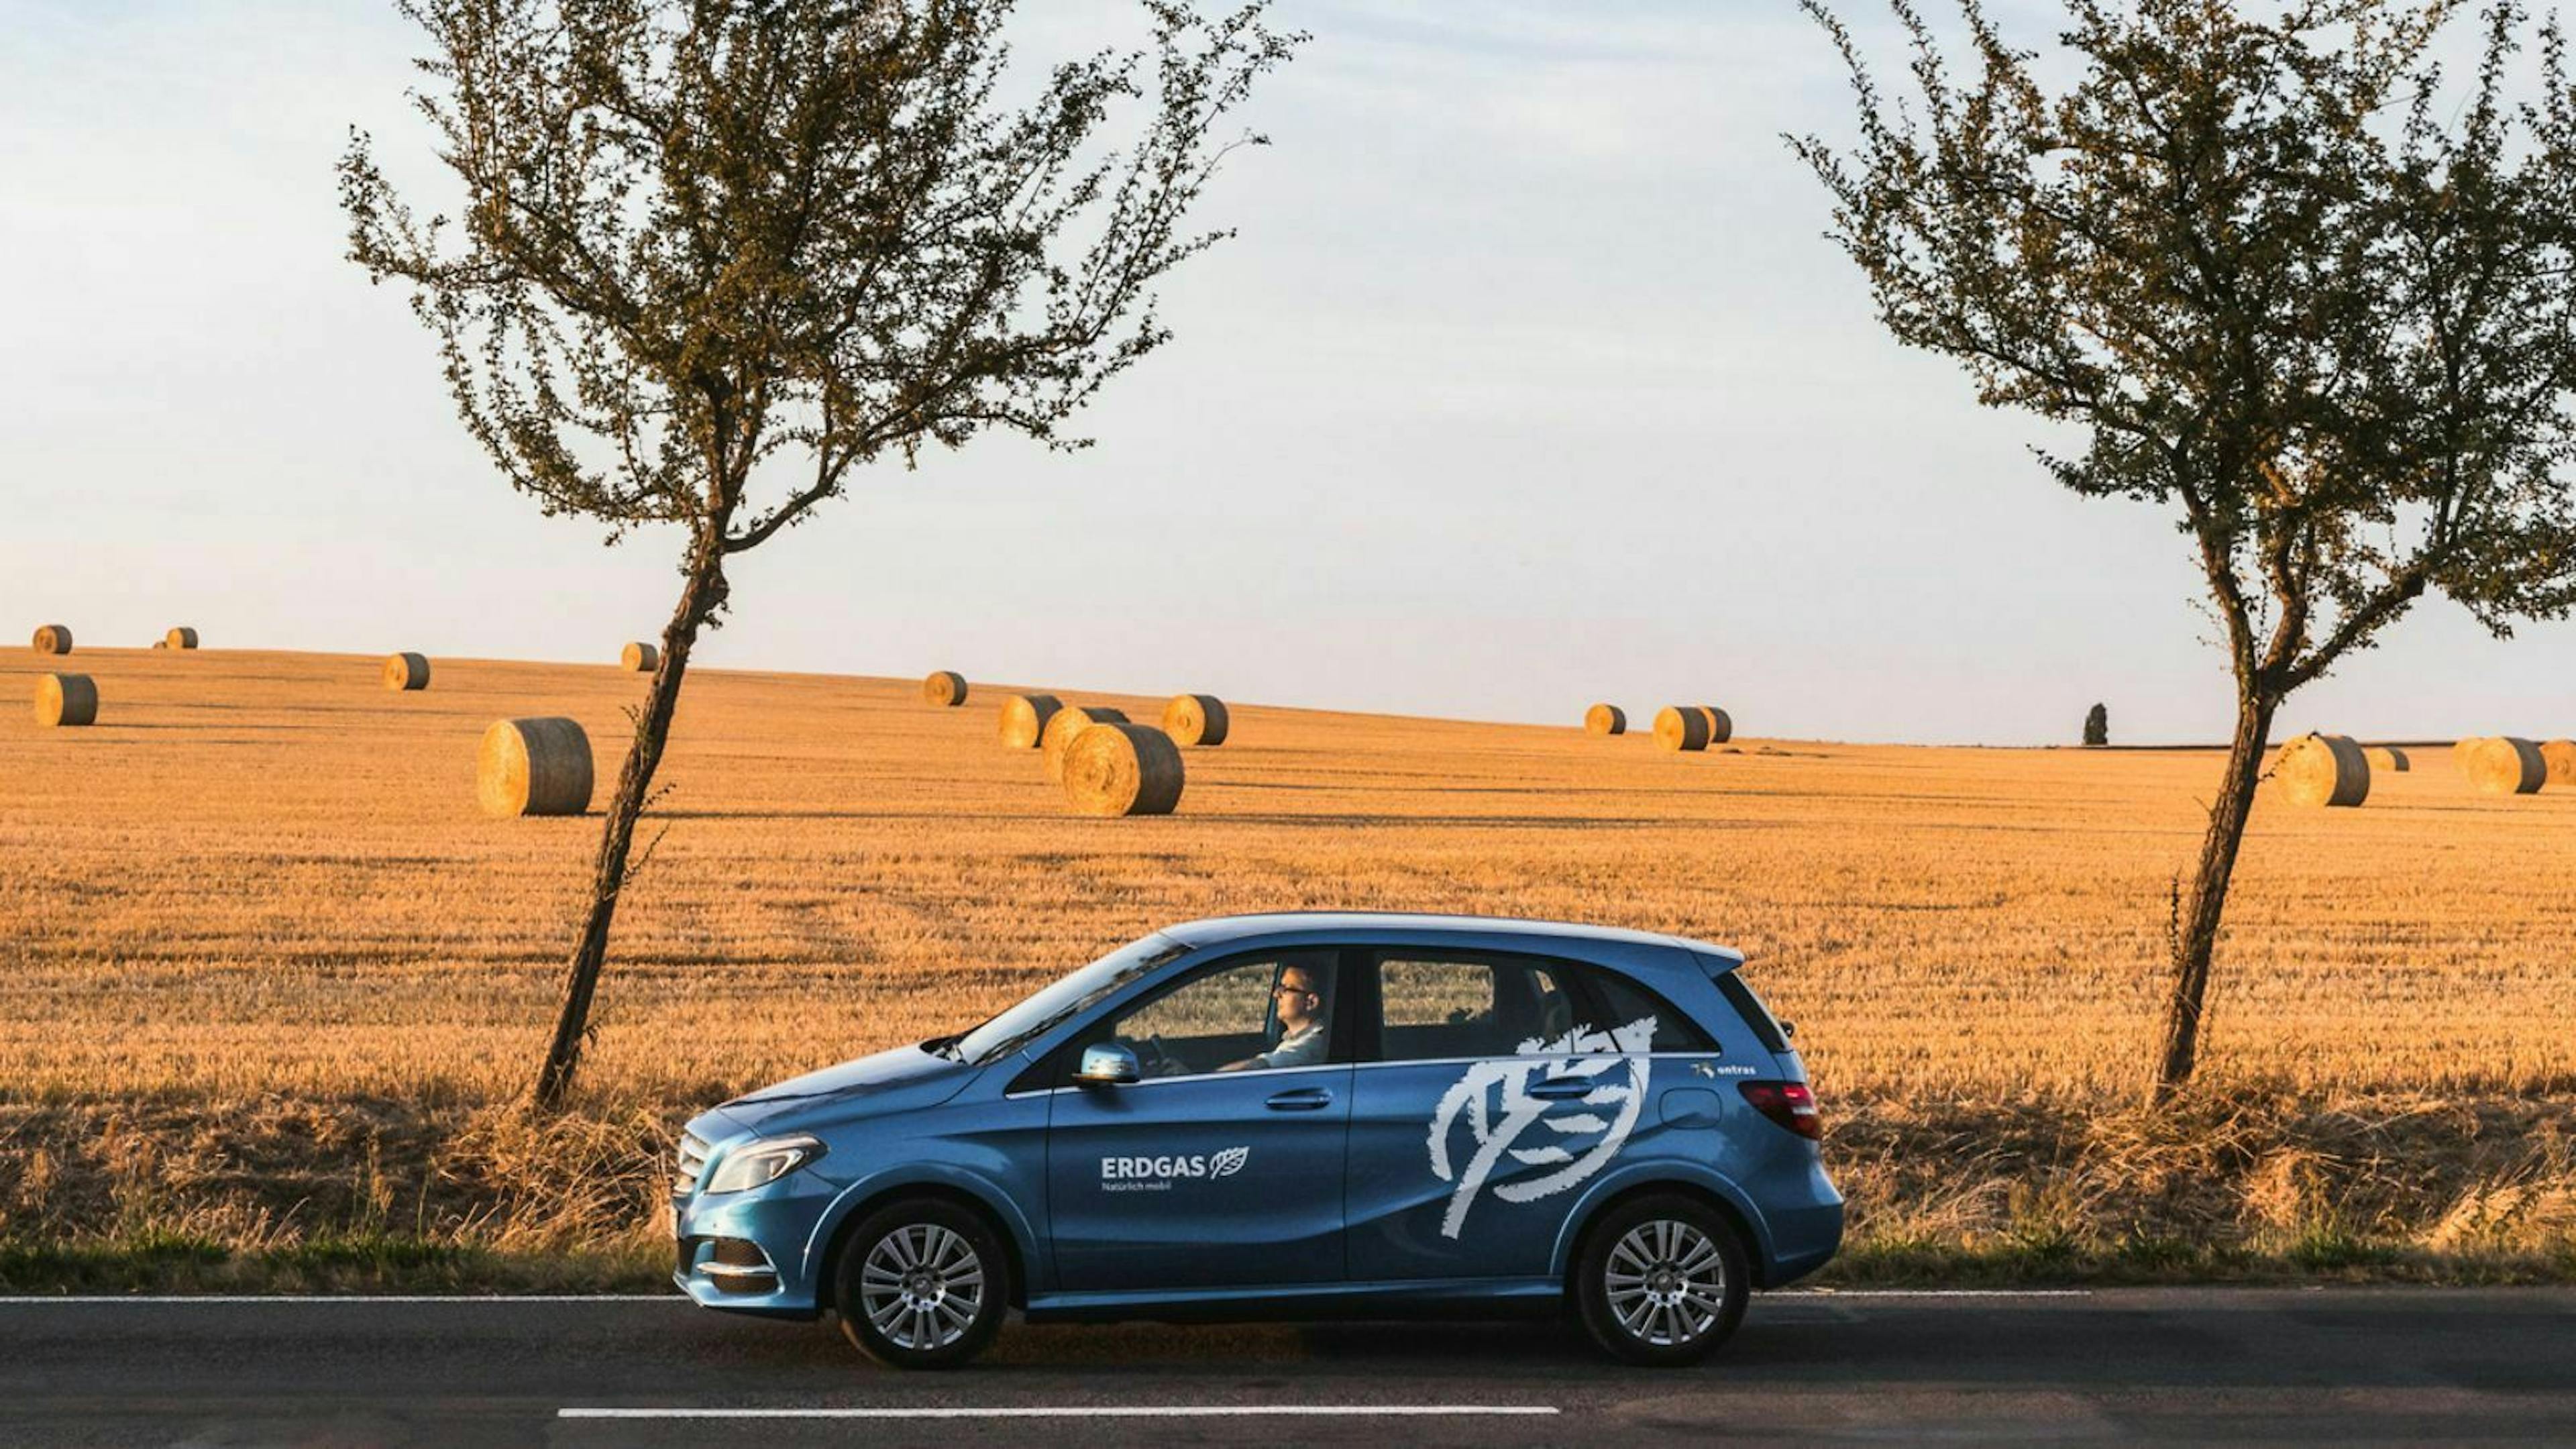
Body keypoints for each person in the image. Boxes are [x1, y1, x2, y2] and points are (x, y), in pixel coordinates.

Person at [1221, 965, 1327, 1071]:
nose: (1276, 994)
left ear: (1311, 1002)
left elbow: (1262, 1065)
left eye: (1286, 989)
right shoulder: (1296, 1039)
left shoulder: (1315, 1044)